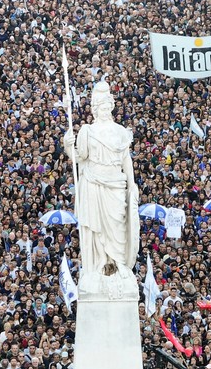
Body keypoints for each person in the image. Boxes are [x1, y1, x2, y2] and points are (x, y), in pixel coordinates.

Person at [64, 81, 139, 278]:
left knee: (117, 224)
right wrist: (67, 145)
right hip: (93, 181)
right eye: (101, 108)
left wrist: (132, 184)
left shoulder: (120, 131)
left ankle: (119, 263)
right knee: (96, 227)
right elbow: (79, 158)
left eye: (108, 107)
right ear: (95, 109)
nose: (105, 111)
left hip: (115, 182)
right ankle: (100, 264)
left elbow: (126, 159)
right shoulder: (87, 131)